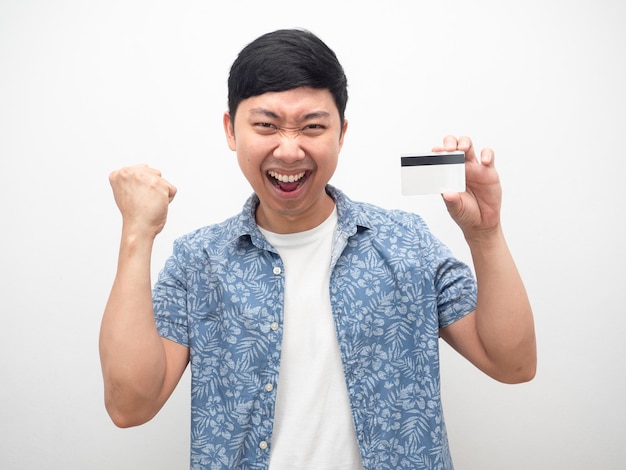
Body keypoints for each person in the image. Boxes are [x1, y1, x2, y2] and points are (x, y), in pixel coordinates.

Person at [100, 28, 536, 470]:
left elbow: (513, 364)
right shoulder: (200, 261)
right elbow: (130, 407)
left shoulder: (406, 243)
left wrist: (486, 234)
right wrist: (138, 233)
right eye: (266, 125)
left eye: (312, 127)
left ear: (341, 133)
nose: (289, 151)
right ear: (231, 129)